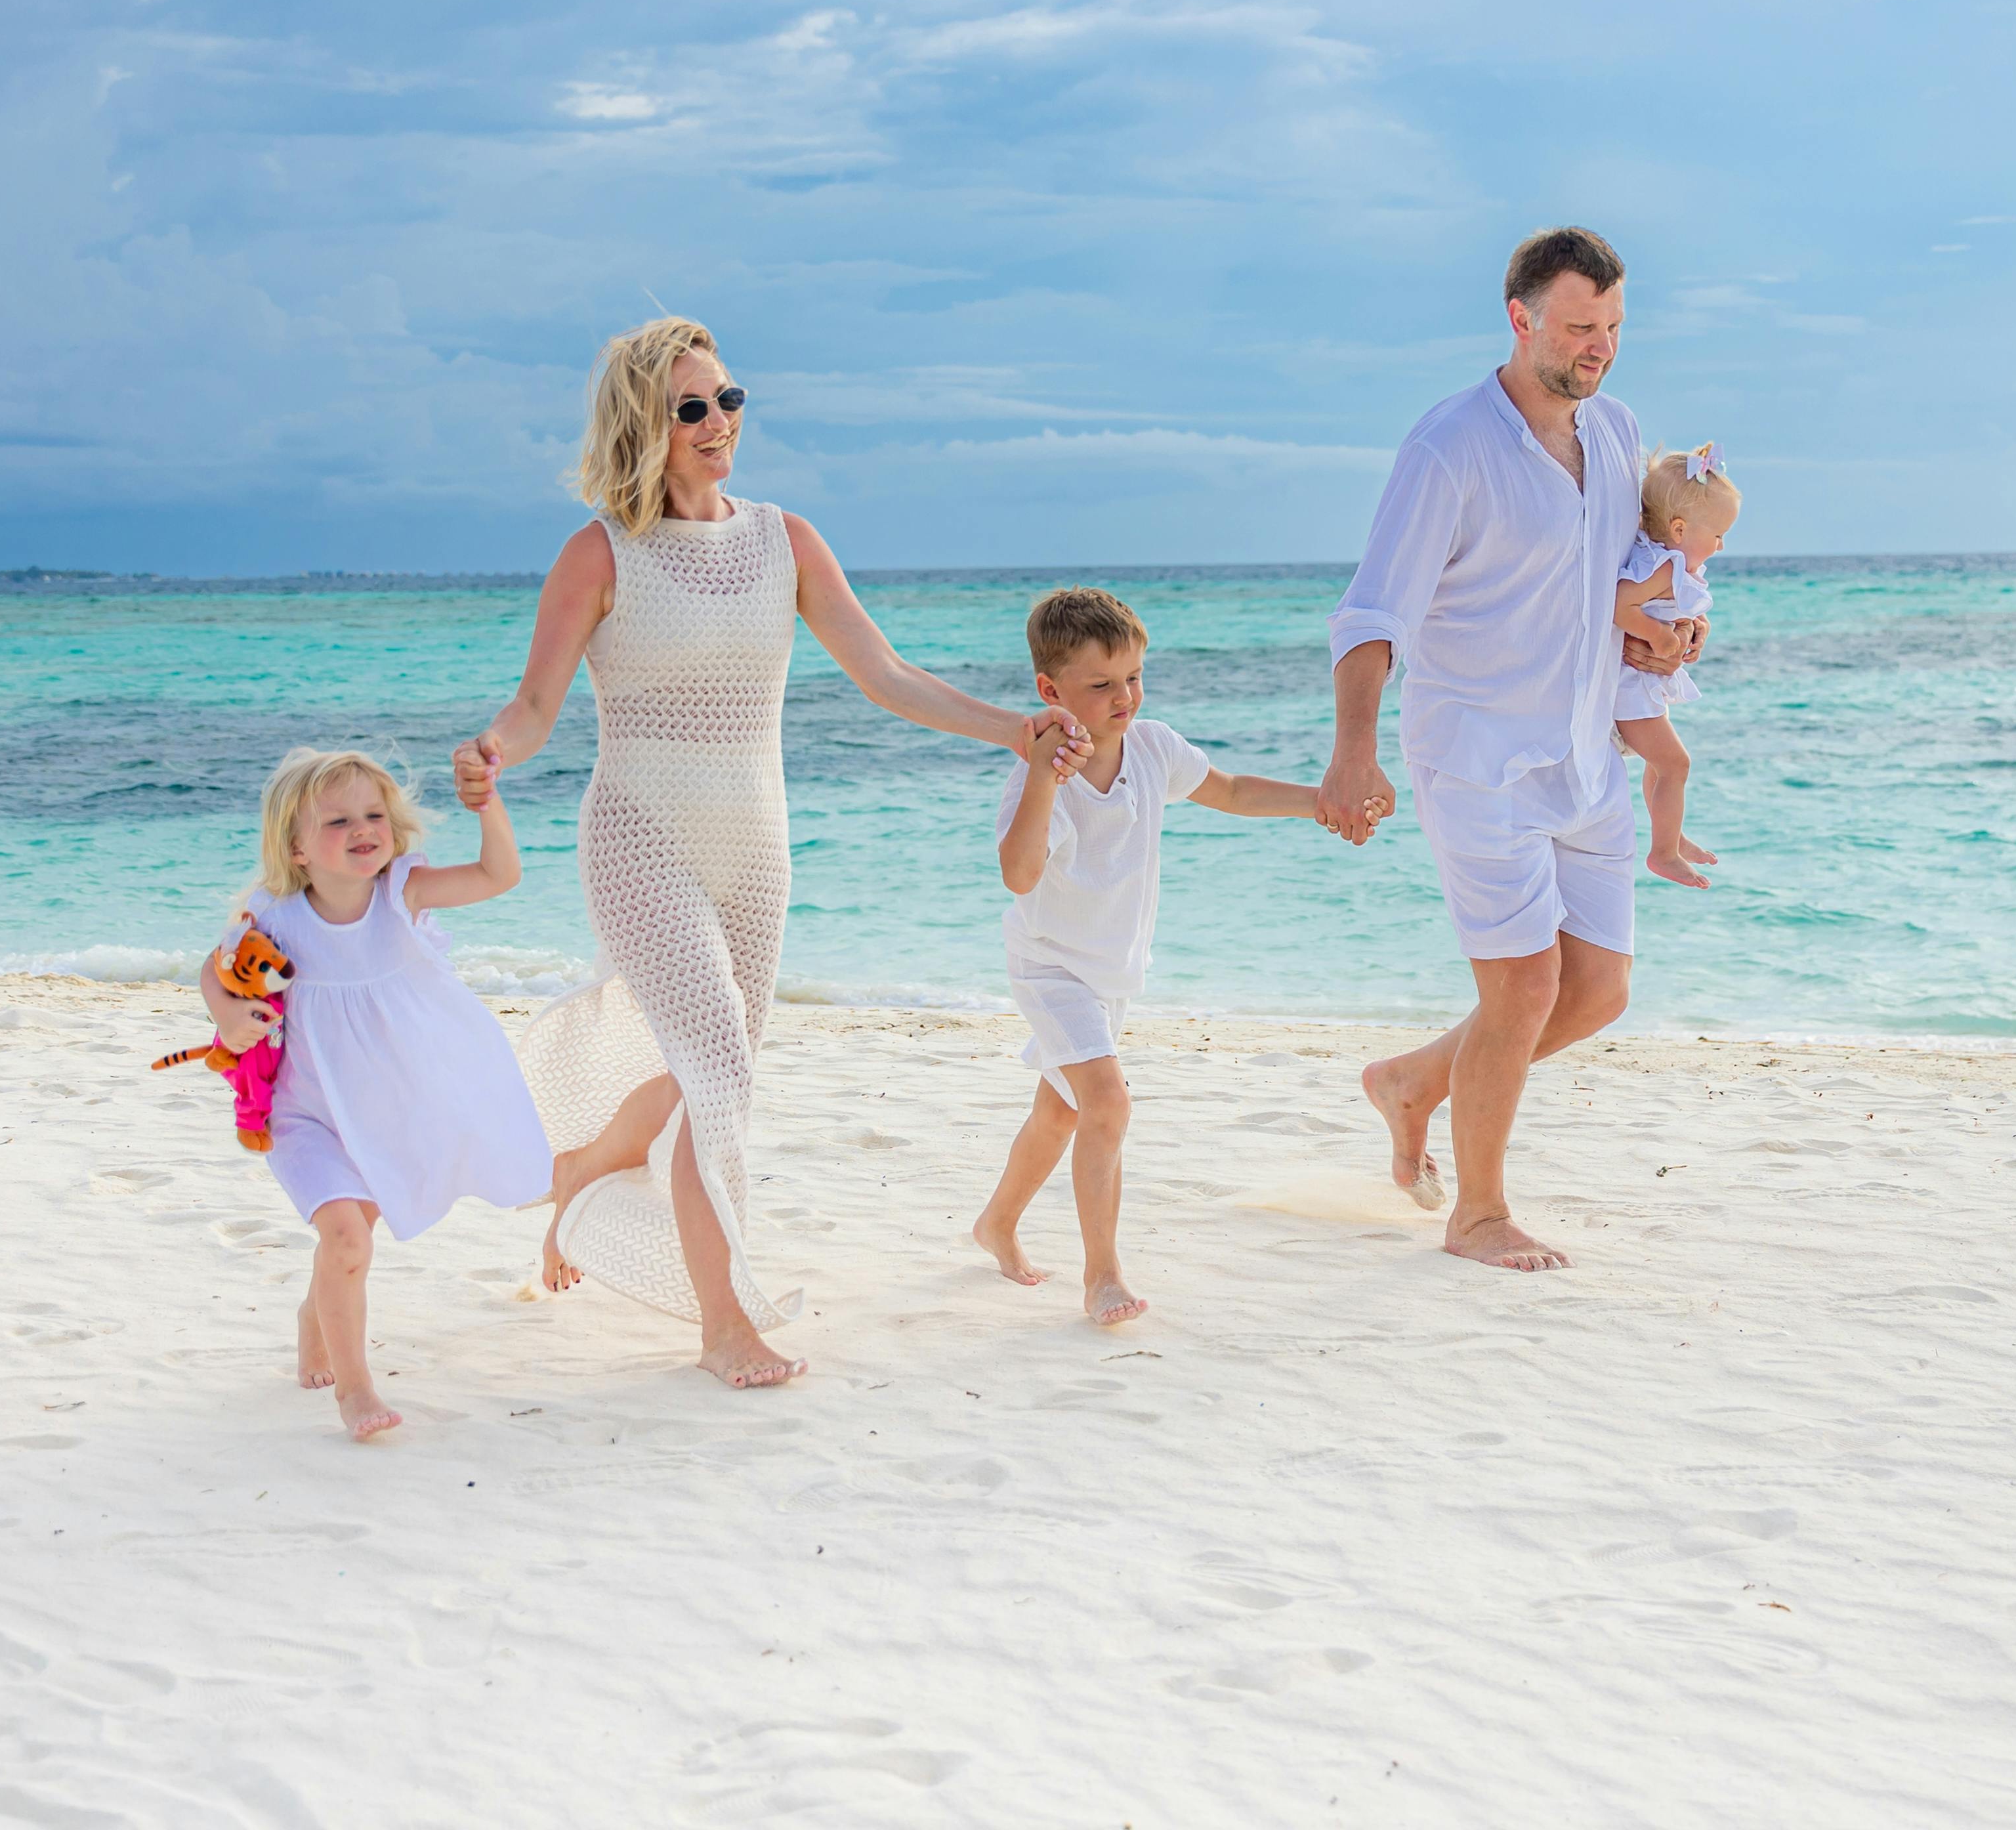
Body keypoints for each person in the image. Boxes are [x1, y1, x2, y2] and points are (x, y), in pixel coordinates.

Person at [452, 317, 1085, 1390]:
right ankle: (725, 1323)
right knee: (714, 1078)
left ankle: (594, 1167)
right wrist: (490, 754)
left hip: (756, 850)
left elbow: (885, 674)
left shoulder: (784, 539)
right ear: (645, 424)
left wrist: (1012, 729)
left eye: (728, 400)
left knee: (722, 1083)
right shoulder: (600, 552)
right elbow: (534, 703)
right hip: (640, 840)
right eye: (690, 407)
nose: (716, 424)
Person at [1320, 229, 1706, 1271]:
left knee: (1600, 989)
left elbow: (1610, 579)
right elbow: (1371, 615)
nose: (1600, 348)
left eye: (1615, 327)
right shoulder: (1449, 447)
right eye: (1581, 327)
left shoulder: (1619, 434)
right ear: (1520, 318)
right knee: (1524, 990)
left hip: (1587, 762)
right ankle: (1477, 1215)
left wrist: (1662, 630)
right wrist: (1354, 752)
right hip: (1475, 759)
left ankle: (1412, 1082)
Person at [969, 587, 1344, 1327]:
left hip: (1111, 971)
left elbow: (1231, 790)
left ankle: (996, 1224)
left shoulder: (1153, 747)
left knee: (1060, 1112)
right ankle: (1102, 1276)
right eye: (1102, 685)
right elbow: (1018, 873)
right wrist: (1047, 773)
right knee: (1107, 1103)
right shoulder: (1041, 777)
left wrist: (1320, 800)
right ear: (1051, 692)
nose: (1126, 697)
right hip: (1051, 967)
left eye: (1135, 677)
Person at [194, 746, 549, 1441]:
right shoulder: (275, 916)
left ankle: (313, 1313)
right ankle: (355, 1391)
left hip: (386, 1110)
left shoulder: (401, 895)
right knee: (348, 1238)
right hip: (304, 1116)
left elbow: (499, 874)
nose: (363, 829)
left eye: (373, 814)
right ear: (295, 848)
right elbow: (215, 970)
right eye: (337, 822)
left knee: (352, 1243)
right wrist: (228, 1018)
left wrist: (489, 807)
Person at [1613, 444, 1738, 888]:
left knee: (1661, 766)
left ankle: (1671, 834)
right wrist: (1661, 637)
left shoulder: (1673, 566)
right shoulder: (1663, 569)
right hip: (1629, 687)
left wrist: (1689, 628)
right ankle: (1663, 852)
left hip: (1640, 684)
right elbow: (1620, 605)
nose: (1723, 544)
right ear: (1680, 529)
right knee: (1676, 765)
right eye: (1718, 533)